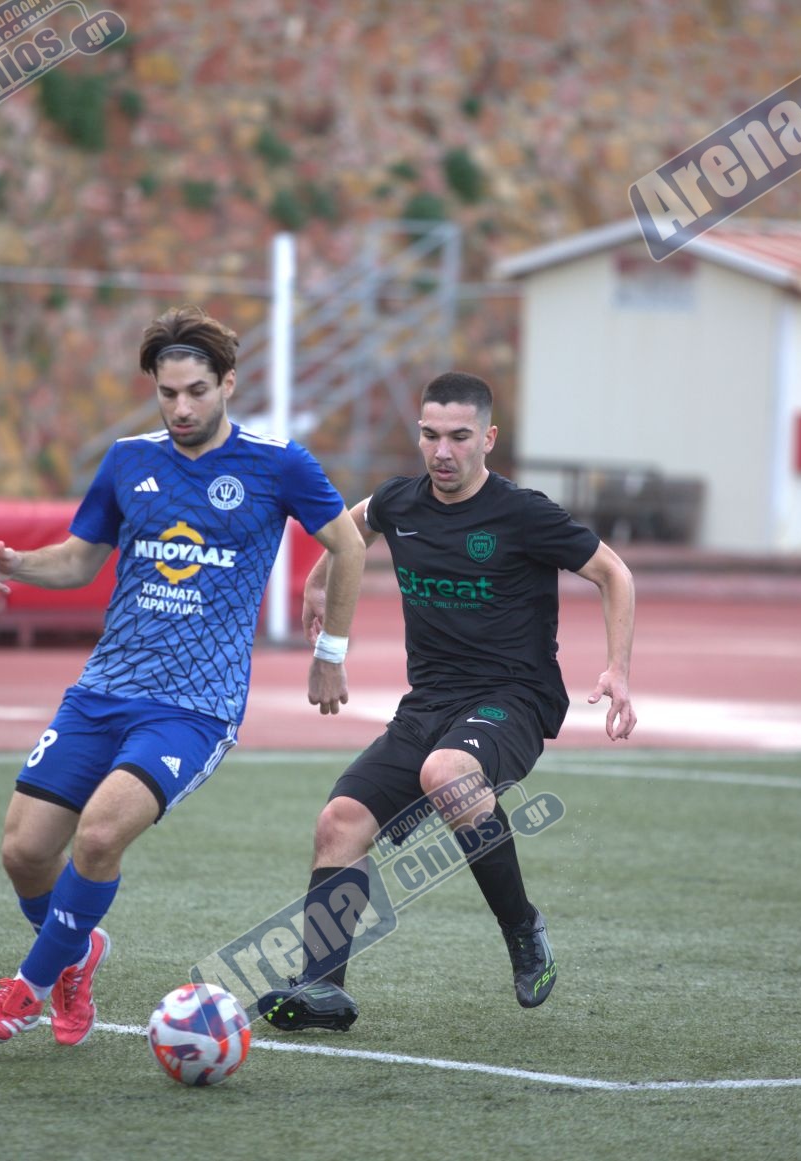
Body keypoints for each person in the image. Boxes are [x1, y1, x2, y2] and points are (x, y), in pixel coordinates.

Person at [0, 305, 366, 1046]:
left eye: (196, 392)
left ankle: (28, 989)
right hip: (102, 689)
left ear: (228, 385)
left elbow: (349, 545)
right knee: (24, 851)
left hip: (195, 705)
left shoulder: (278, 463)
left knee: (98, 835)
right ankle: (77, 954)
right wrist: (18, 565)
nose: (181, 408)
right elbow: (79, 560)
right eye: (167, 392)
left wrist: (330, 653)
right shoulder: (127, 461)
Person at [256, 371, 637, 1032]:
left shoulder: (523, 513)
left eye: (459, 436)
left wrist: (617, 669)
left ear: (487, 438)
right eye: (430, 435)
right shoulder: (399, 502)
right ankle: (321, 987)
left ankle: (523, 930)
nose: (442, 451)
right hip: (429, 704)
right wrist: (317, 582)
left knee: (446, 774)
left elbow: (613, 572)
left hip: (513, 699)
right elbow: (351, 528)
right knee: (339, 821)